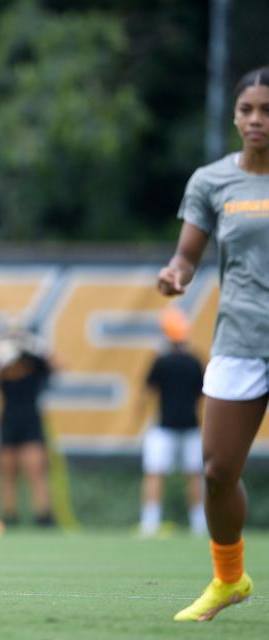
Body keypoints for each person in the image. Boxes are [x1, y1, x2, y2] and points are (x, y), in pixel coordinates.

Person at [157, 66, 269, 622]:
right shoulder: (211, 181)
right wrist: (176, 274)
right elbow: (188, 256)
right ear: (234, 114)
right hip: (242, 338)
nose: (256, 120)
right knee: (218, 470)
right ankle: (230, 579)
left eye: (266, 111)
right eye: (247, 109)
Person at [136, 307, 206, 537]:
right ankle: (199, 524)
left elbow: (146, 390)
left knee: (155, 473)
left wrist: (138, 415)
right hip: (190, 425)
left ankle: (150, 522)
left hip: (164, 426)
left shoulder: (162, 361)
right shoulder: (195, 361)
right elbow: (202, 393)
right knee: (194, 474)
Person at [0, 323, 54, 527]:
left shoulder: (35, 360)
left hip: (31, 417)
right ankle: (9, 516)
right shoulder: (1, 361)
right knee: (7, 470)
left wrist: (39, 348)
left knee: (36, 469)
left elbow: (58, 367)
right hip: (9, 418)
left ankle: (43, 516)